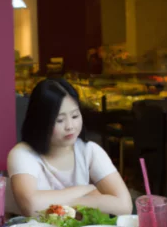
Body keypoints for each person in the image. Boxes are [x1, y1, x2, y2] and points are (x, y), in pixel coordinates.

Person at [7, 78, 132, 216]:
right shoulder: (22, 154)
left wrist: (76, 201)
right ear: (40, 121)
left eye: (75, 116)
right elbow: (31, 206)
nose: (70, 126)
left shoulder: (89, 151)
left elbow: (125, 206)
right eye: (59, 120)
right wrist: (86, 190)